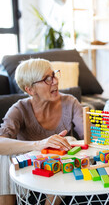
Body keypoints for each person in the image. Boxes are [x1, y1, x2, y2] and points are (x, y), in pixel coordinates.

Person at [0, 58, 84, 205]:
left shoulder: (70, 102)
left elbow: (88, 136)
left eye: (54, 75)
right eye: (47, 79)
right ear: (30, 90)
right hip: (29, 172)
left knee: (70, 141)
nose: (55, 81)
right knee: (3, 157)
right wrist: (39, 144)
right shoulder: (19, 109)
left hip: (60, 171)